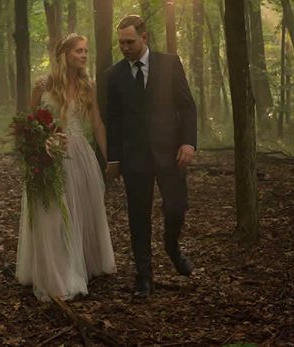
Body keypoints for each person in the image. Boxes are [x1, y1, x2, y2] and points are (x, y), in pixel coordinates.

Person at [16, 33, 116, 302]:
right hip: (49, 154)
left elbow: (97, 124)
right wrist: (40, 145)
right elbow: (31, 123)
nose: (84, 56)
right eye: (78, 51)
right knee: (52, 215)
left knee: (79, 210)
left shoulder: (88, 86)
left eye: (86, 51)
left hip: (79, 153)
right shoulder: (43, 84)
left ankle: (80, 264)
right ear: (64, 54)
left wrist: (111, 158)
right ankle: (56, 273)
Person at [105, 15, 197, 297]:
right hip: (134, 157)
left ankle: (172, 247)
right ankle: (144, 276)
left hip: (171, 153)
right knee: (138, 218)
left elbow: (188, 107)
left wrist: (188, 143)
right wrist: (114, 159)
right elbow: (114, 120)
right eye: (121, 42)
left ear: (144, 38)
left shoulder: (170, 64)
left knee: (176, 207)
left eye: (130, 41)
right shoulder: (114, 75)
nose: (125, 47)